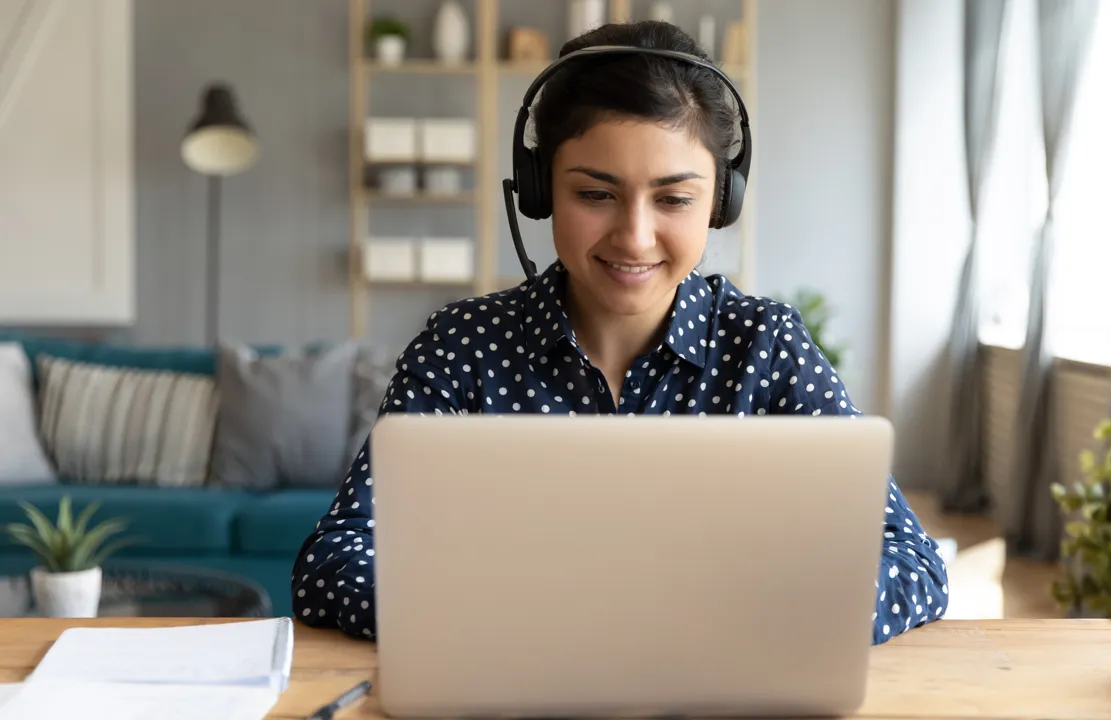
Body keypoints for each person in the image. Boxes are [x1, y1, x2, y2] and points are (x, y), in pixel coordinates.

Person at [292, 20, 948, 645]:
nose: (634, 237)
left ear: (721, 202)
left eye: (674, 199)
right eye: (595, 194)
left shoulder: (765, 347)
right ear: (540, 190)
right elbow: (335, 559)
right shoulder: (462, 348)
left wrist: (747, 618)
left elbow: (908, 558)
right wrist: (527, 619)